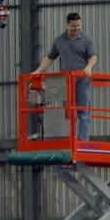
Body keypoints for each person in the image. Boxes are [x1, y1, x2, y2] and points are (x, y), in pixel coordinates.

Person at [33, 12, 97, 140]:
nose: (77, 29)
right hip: (65, 82)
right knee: (67, 111)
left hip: (83, 82)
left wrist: (89, 67)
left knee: (83, 112)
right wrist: (39, 71)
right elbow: (50, 57)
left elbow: (93, 56)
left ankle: (83, 141)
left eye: (79, 26)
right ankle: (70, 140)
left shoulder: (86, 40)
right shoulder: (59, 40)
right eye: (74, 26)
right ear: (67, 25)